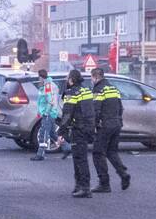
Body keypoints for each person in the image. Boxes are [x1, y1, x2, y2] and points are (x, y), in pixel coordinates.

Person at [55, 69, 95, 198]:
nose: (67, 80)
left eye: (67, 78)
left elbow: (67, 114)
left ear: (72, 80)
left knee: (79, 159)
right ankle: (79, 185)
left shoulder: (71, 93)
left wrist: (61, 132)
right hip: (88, 127)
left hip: (78, 129)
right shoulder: (87, 91)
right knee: (81, 157)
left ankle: (84, 188)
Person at [90, 67, 130, 192]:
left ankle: (104, 183)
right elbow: (120, 108)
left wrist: (93, 126)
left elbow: (96, 110)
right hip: (116, 124)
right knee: (111, 151)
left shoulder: (98, 89)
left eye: (92, 78)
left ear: (96, 77)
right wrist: (119, 121)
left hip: (104, 126)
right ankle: (123, 174)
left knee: (97, 153)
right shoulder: (113, 88)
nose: (91, 81)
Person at [30, 68, 68, 161]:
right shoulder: (48, 85)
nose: (38, 79)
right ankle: (67, 147)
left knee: (44, 133)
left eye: (39, 77)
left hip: (49, 113)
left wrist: (46, 112)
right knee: (52, 133)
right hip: (50, 113)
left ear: (41, 77)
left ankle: (40, 154)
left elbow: (50, 101)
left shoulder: (47, 86)